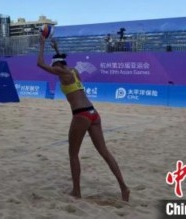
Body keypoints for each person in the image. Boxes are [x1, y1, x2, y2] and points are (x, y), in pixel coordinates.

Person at [37, 35, 130, 201]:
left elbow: (40, 63)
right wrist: (56, 49)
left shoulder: (60, 71)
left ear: (57, 66)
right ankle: (124, 187)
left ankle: (76, 191)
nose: (54, 70)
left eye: (54, 66)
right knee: (105, 152)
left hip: (81, 114)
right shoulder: (74, 71)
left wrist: (42, 44)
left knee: (73, 154)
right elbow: (61, 61)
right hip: (93, 113)